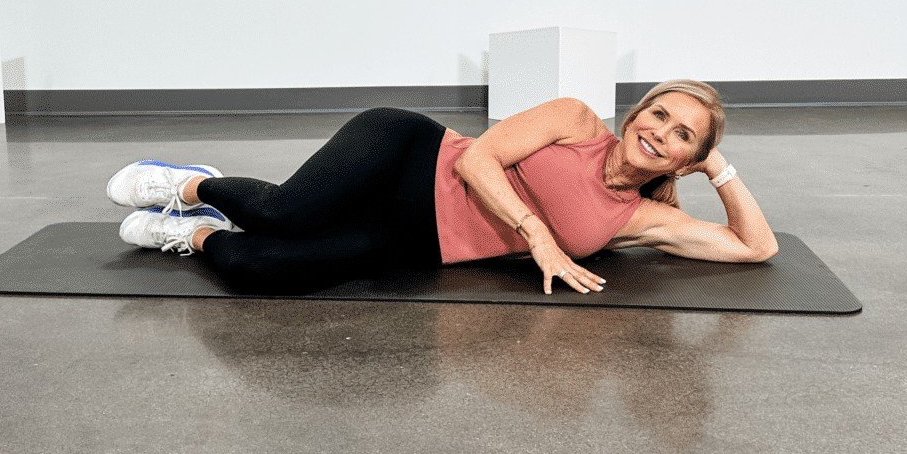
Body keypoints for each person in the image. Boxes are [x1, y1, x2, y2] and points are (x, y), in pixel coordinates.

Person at [106, 79, 778, 296]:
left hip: (414, 238)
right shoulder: (576, 121)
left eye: (683, 135)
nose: (661, 131)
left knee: (262, 269)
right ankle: (192, 187)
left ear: (687, 159)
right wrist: (539, 237)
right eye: (659, 112)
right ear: (637, 114)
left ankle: (188, 233)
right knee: (288, 211)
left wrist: (718, 166)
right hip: (406, 154)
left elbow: (755, 248)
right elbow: (480, 159)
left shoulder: (637, 218)